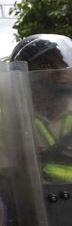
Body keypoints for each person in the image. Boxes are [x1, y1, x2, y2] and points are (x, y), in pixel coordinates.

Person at [10, 34, 72, 183]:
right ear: (23, 74)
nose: (60, 70)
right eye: (46, 64)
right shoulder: (8, 122)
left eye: (63, 63)